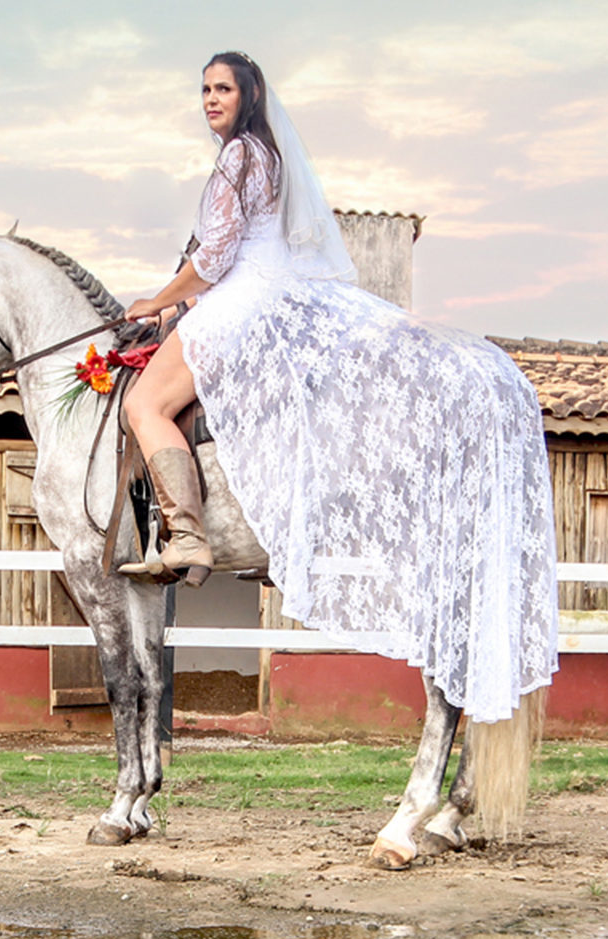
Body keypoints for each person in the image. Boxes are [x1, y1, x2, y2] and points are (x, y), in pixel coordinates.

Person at [117, 52, 557, 726]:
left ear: (249, 95)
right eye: (204, 89)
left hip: (242, 303)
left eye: (223, 88)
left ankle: (186, 537)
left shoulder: (236, 157)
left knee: (143, 403)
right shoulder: (271, 156)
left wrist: (157, 300)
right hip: (275, 295)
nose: (210, 99)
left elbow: (214, 257)